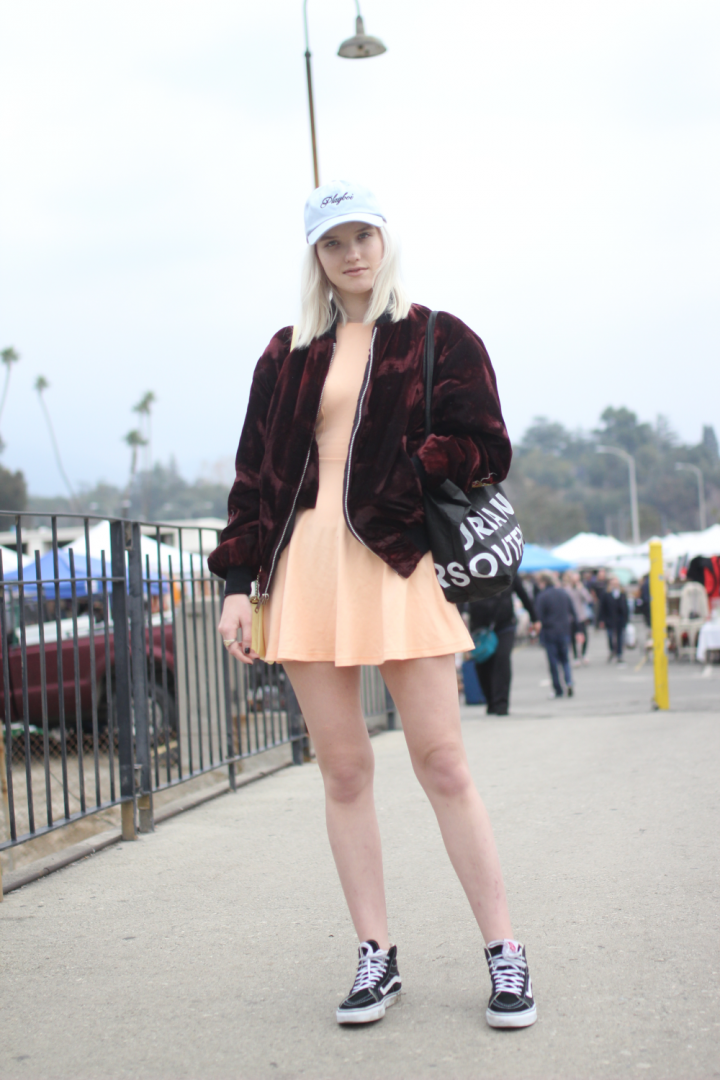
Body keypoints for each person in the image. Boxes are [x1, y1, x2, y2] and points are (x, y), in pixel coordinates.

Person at [209, 181, 537, 1030]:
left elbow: (487, 447)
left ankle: (504, 950)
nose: (352, 253)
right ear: (315, 257)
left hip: (398, 561)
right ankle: (375, 955)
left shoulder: (438, 335)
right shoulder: (286, 353)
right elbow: (253, 476)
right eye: (333, 242)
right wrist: (237, 587)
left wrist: (420, 460)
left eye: (364, 236)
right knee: (345, 771)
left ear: (386, 241)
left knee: (443, 762)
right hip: (307, 569)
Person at [468, 576, 537, 715]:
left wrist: (535, 618)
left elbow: (522, 593)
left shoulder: (507, 569)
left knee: (502, 659)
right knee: (483, 664)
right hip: (480, 628)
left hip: (504, 625)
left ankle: (501, 704)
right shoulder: (471, 567)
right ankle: (490, 701)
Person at [535, 572, 575, 698]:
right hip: (564, 630)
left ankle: (558, 689)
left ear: (543, 582)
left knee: (553, 663)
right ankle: (569, 681)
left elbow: (538, 616)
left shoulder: (543, 596)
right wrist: (577, 630)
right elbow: (573, 612)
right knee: (565, 660)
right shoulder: (563, 593)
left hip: (550, 631)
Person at [563, 571, 593, 665]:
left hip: (581, 616)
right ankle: (575, 656)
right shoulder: (566, 589)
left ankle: (583, 654)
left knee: (584, 637)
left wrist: (581, 588)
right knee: (572, 638)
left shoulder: (581, 588)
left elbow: (588, 599)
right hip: (571, 618)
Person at [599, 577, 629, 663]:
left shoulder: (622, 593)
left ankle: (619, 654)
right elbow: (602, 607)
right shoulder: (606, 593)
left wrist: (626, 619)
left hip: (620, 619)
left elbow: (625, 607)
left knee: (620, 637)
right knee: (610, 636)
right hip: (609, 619)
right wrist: (601, 620)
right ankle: (612, 651)